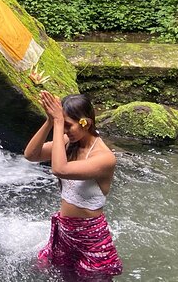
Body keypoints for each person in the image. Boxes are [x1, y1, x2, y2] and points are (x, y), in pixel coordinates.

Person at [24, 91, 122, 280]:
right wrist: (50, 121)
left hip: (90, 237)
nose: (64, 132)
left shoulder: (104, 158)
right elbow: (31, 155)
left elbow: (60, 169)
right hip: (65, 231)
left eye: (68, 126)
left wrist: (59, 122)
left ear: (87, 123)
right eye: (63, 125)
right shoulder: (68, 143)